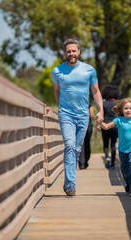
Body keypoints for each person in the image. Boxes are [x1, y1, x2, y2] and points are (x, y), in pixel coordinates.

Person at [51, 39, 103, 196]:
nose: (71, 53)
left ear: (79, 51)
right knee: (69, 146)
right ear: (64, 53)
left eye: (74, 51)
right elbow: (57, 91)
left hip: (83, 115)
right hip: (66, 114)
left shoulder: (89, 70)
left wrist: (100, 110)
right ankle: (71, 185)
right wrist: (61, 107)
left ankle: (68, 183)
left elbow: (95, 91)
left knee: (77, 149)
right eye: (68, 51)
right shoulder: (57, 71)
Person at [99, 98, 131, 197]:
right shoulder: (119, 120)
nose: (128, 110)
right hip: (122, 150)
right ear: (122, 110)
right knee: (124, 170)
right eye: (126, 108)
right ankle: (128, 183)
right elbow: (106, 127)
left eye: (130, 108)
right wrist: (100, 122)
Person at [96, 85, 119, 169]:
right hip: (115, 126)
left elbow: (100, 115)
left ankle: (107, 157)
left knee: (106, 144)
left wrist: (98, 125)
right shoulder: (117, 104)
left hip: (105, 126)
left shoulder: (103, 103)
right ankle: (113, 163)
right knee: (113, 144)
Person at [79, 103, 94, 169]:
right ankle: (85, 162)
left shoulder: (76, 102)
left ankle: (81, 163)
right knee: (87, 143)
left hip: (79, 124)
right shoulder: (88, 104)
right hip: (88, 125)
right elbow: (92, 115)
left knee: (80, 144)